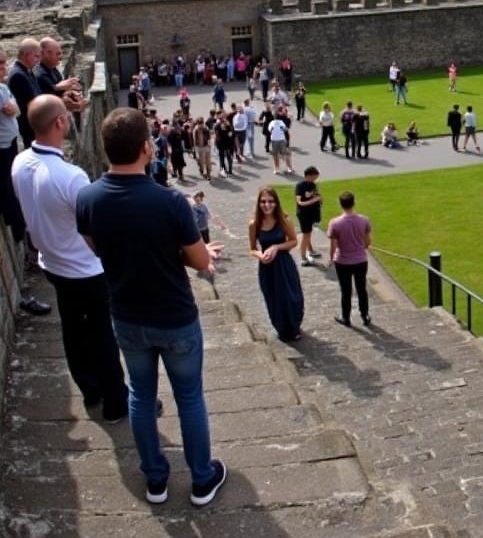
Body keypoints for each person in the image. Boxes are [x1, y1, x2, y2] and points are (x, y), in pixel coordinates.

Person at [76, 108, 227, 507]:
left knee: (140, 396)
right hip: (174, 316)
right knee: (189, 397)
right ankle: (201, 479)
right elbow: (199, 262)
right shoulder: (171, 203)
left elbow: (102, 248)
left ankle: (156, 480)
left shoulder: (88, 198)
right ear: (147, 147)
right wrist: (197, 252)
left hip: (127, 315)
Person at [12, 95, 126, 415]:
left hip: (52, 263)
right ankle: (116, 400)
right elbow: (96, 227)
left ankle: (90, 390)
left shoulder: (20, 162)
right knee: (103, 333)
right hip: (84, 269)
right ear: (60, 122)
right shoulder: (70, 175)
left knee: (73, 330)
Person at [248, 187, 304, 342]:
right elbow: (252, 248)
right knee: (273, 299)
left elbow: (293, 241)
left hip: (284, 264)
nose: (267, 205)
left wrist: (276, 247)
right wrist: (260, 255)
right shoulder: (254, 224)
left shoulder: (284, 220)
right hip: (267, 267)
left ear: (276, 203)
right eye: (263, 201)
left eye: (271, 201)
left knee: (292, 298)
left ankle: (294, 327)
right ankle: (282, 329)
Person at [328, 191, 372, 328]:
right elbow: (367, 243)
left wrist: (331, 259)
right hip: (360, 260)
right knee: (361, 288)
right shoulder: (364, 220)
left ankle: (346, 317)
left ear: (340, 204)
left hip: (342, 261)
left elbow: (333, 246)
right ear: (354, 202)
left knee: (346, 290)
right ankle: (365, 315)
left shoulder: (334, 223)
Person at [0, 50, 30, 252]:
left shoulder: (3, 87)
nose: (4, 67)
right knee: (7, 188)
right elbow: (11, 109)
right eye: (0, 63)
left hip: (10, 142)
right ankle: (18, 228)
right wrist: (11, 107)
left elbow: (15, 109)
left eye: (4, 62)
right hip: (1, 147)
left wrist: (12, 107)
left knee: (12, 184)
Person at [8, 37, 43, 146]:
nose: (39, 60)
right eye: (36, 56)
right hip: (30, 125)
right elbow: (31, 102)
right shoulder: (18, 75)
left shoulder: (27, 70)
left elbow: (38, 93)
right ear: (27, 55)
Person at [294, 166, 322, 266]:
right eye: (314, 177)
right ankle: (303, 257)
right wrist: (314, 200)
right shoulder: (300, 186)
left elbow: (318, 196)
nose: (315, 180)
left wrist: (318, 197)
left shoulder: (313, 185)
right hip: (303, 214)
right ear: (308, 176)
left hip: (311, 213)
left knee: (308, 233)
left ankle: (310, 250)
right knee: (306, 235)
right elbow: (300, 202)